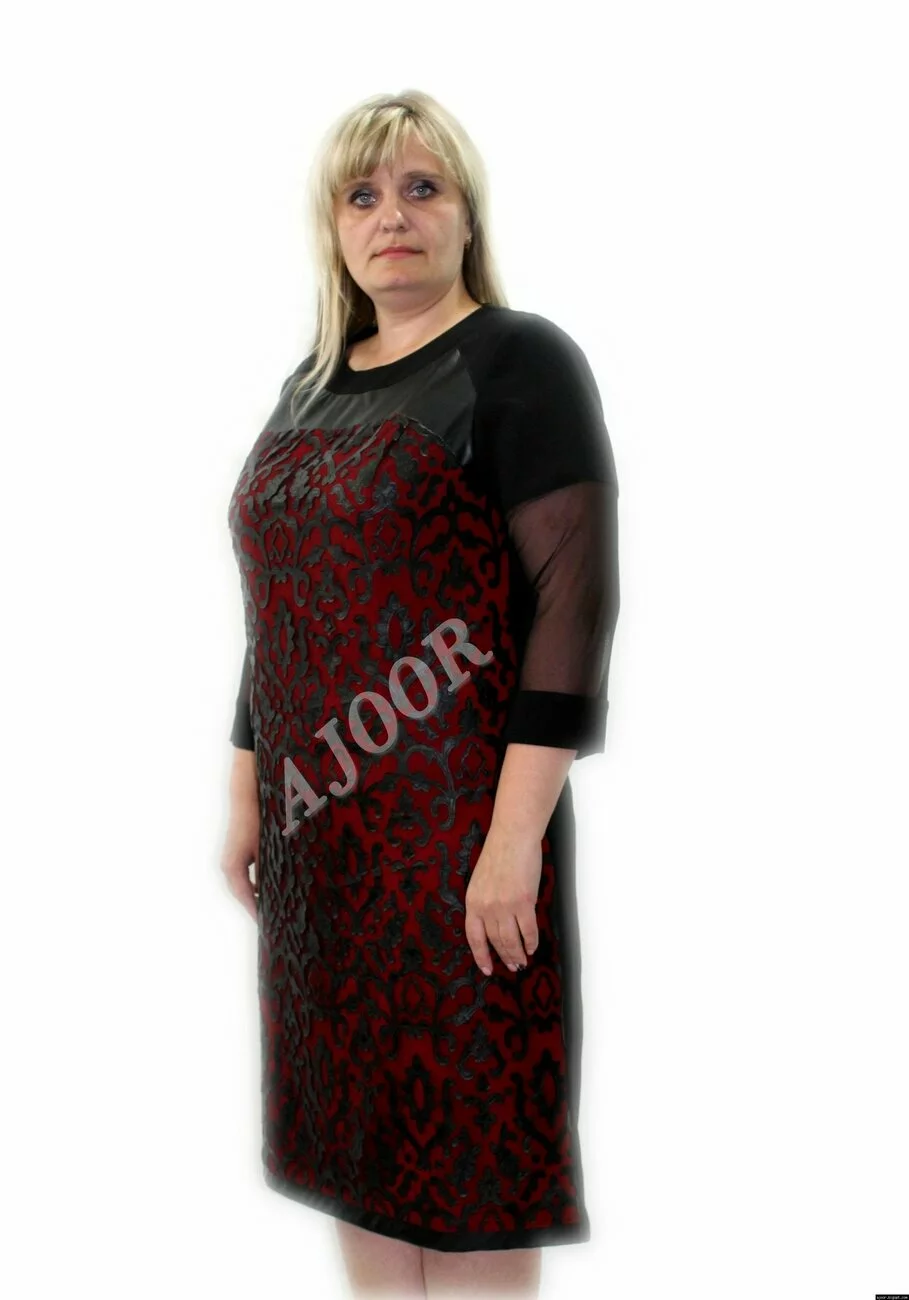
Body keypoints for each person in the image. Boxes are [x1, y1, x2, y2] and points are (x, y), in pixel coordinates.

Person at [221, 89, 620, 1298]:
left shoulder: (519, 360)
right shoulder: (307, 388)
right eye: (362, 194)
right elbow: (281, 610)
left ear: (465, 215)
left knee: (475, 1173)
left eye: (420, 187)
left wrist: (513, 843)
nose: (390, 214)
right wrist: (245, 796)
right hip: (319, 860)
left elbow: (571, 604)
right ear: (334, 229)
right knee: (358, 1163)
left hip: (458, 844)